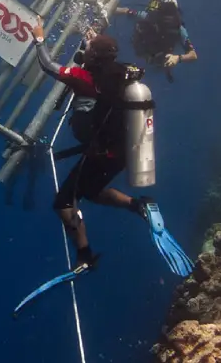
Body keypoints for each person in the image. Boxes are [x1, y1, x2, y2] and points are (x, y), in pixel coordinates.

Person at [28, 25, 191, 277]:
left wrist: (39, 38)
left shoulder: (86, 79)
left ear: (94, 56)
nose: (85, 50)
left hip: (101, 153)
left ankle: (84, 257)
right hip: (124, 150)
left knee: (64, 202)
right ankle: (140, 206)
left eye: (89, 49)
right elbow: (114, 60)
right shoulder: (125, 71)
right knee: (91, 191)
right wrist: (97, 43)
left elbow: (48, 65)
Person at [115, 0, 196, 82]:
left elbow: (193, 55)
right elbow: (127, 11)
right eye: (165, 11)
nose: (167, 17)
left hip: (156, 61)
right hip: (144, 54)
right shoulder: (150, 17)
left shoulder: (179, 29)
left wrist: (178, 58)